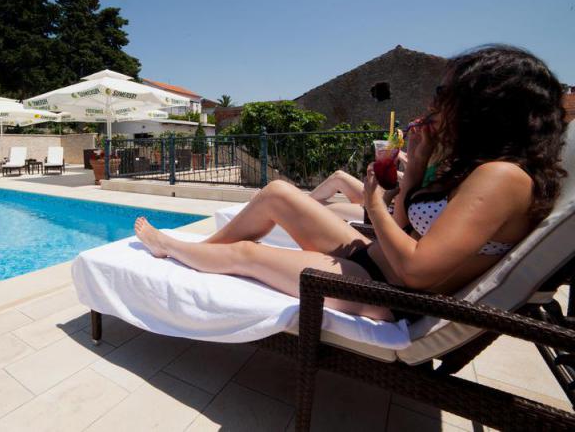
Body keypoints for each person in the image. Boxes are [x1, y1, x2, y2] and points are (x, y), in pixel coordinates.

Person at [134, 45, 567, 321]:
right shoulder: (483, 167)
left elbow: (417, 272)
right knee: (278, 193)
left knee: (247, 253)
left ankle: (172, 248)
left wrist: (375, 202)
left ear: (484, 105)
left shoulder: (501, 176)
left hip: (390, 292)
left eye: (443, 92)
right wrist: (415, 172)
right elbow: (407, 229)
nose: (433, 102)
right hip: (375, 260)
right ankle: (201, 254)